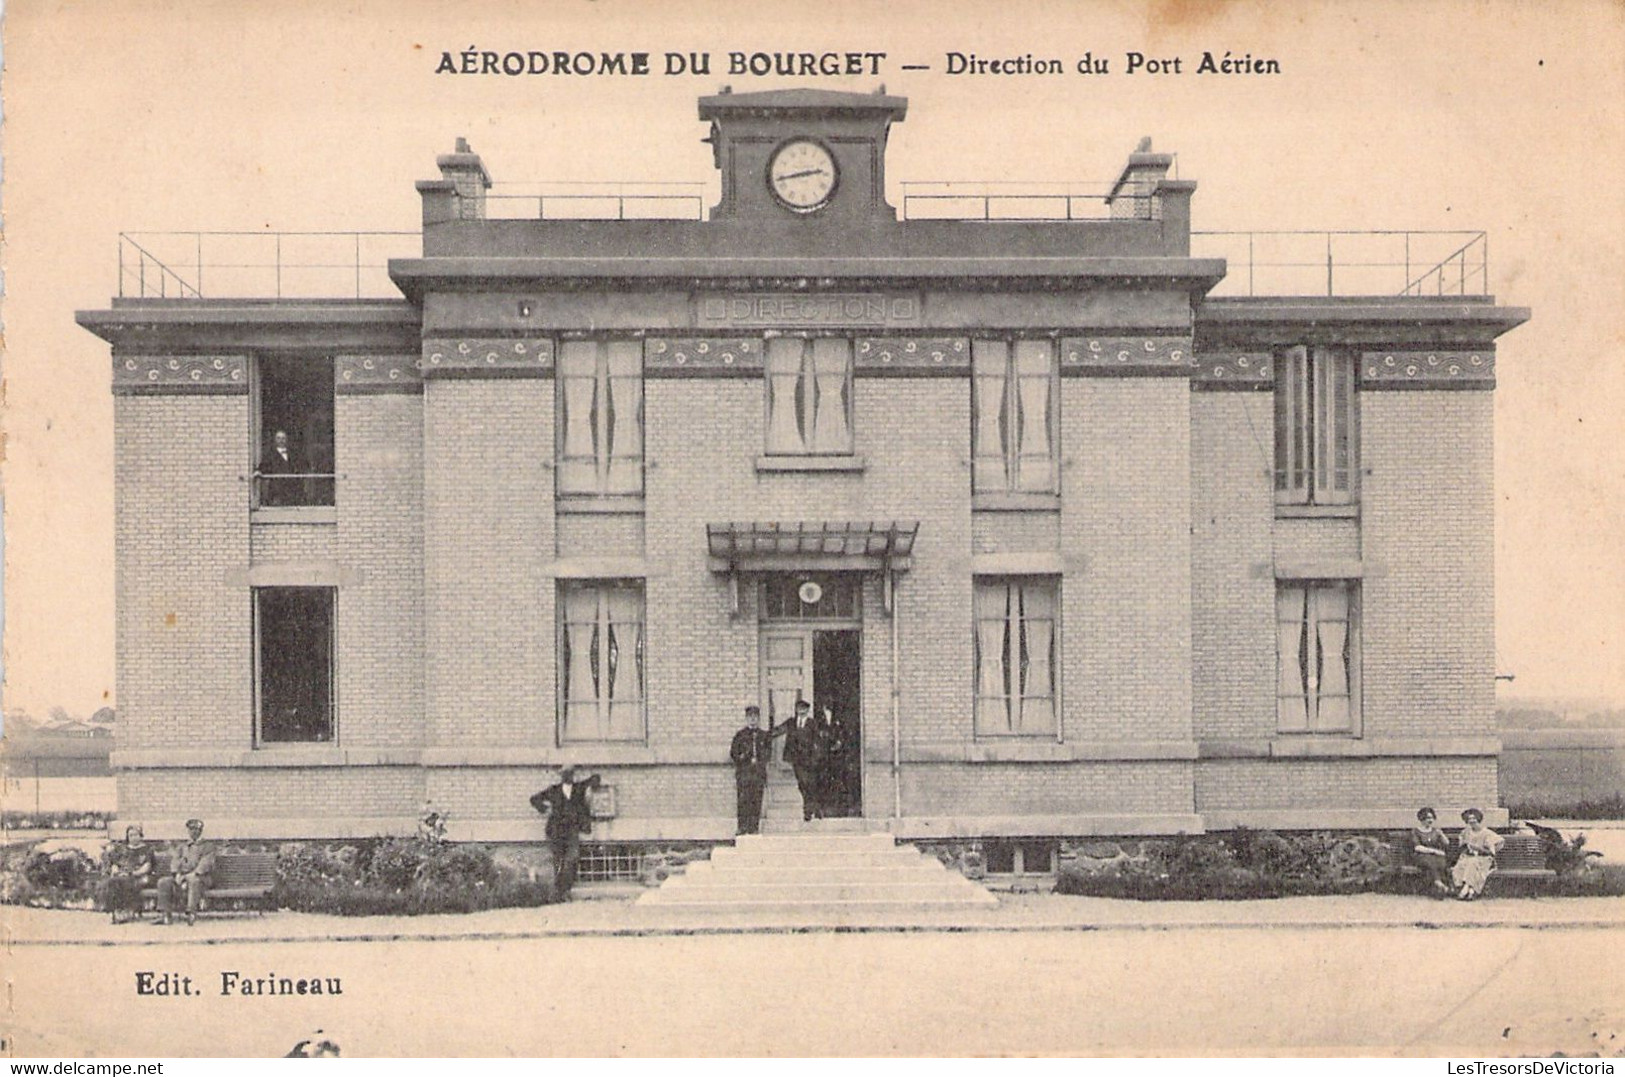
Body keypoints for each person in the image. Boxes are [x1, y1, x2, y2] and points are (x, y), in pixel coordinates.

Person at [529, 766, 601, 899]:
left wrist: (590, 784)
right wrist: (545, 808)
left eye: (570, 773)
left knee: (572, 859)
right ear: (561, 776)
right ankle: (560, 892)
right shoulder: (553, 790)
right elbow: (534, 799)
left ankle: (565, 888)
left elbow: (595, 779)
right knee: (558, 860)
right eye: (565, 774)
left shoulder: (579, 788)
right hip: (556, 831)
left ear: (573, 775)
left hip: (572, 830)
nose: (568, 776)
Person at [729, 704, 788, 835]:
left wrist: (760, 761)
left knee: (756, 800)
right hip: (744, 773)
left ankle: (754, 827)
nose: (753, 720)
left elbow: (768, 753)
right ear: (746, 719)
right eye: (750, 717)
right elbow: (733, 753)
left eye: (755, 717)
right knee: (743, 800)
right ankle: (742, 827)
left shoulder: (764, 735)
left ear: (759, 719)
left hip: (758, 773)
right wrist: (744, 757)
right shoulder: (740, 735)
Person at [156, 818, 216, 925]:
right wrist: (177, 874)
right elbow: (176, 860)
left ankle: (191, 913)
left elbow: (205, 863)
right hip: (183, 876)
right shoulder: (183, 846)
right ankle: (166, 915)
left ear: (201, 831)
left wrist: (191, 874)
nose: (193, 832)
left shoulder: (208, 846)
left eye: (196, 829)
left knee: (193, 880)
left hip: (202, 878)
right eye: (191, 829)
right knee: (163, 882)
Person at [781, 700, 828, 822]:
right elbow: (779, 730)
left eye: (804, 709)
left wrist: (815, 758)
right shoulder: (791, 722)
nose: (801, 711)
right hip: (797, 760)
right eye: (799, 708)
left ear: (807, 710)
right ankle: (814, 808)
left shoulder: (812, 723)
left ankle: (809, 811)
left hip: (810, 760)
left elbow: (818, 741)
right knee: (803, 784)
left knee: (810, 784)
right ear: (796, 709)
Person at [100, 824, 155, 924]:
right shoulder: (123, 849)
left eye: (136, 835)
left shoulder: (147, 849)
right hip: (122, 876)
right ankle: (115, 911)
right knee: (112, 882)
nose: (133, 838)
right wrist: (115, 869)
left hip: (139, 876)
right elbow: (115, 863)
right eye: (131, 835)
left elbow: (147, 867)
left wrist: (132, 873)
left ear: (141, 836)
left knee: (124, 882)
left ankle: (127, 911)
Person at [1451, 807, 1505, 901]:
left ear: (1478, 819)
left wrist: (1481, 849)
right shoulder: (1466, 832)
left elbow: (1499, 843)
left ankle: (1465, 890)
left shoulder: (1486, 833)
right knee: (1460, 866)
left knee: (1472, 864)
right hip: (1468, 857)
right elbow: (1462, 845)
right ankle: (1471, 891)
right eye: (1469, 819)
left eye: (1474, 818)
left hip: (1484, 859)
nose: (1471, 821)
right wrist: (1464, 845)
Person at [1408, 806, 1452, 896]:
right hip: (1420, 856)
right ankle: (1439, 884)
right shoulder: (1415, 831)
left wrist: (1441, 834)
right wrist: (1434, 851)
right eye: (1428, 818)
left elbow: (1447, 843)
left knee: (1440, 862)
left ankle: (1439, 887)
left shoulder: (1435, 831)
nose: (1430, 820)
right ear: (1422, 818)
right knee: (1430, 861)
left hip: (1435, 857)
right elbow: (1417, 847)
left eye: (1432, 818)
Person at [260, 428, 299, 506]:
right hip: (277, 490)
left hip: (290, 489)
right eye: (278, 438)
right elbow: (264, 467)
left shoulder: (293, 454)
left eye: (283, 438)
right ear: (275, 440)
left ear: (286, 440)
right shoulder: (270, 455)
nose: (281, 440)